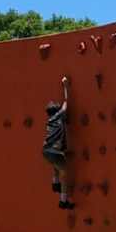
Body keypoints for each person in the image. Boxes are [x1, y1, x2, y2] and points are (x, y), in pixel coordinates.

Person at [43, 76, 73, 209]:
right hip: (55, 152)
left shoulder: (49, 121)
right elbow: (66, 103)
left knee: (55, 163)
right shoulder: (58, 116)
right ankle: (63, 200)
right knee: (64, 175)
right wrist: (66, 87)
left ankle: (54, 183)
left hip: (46, 151)